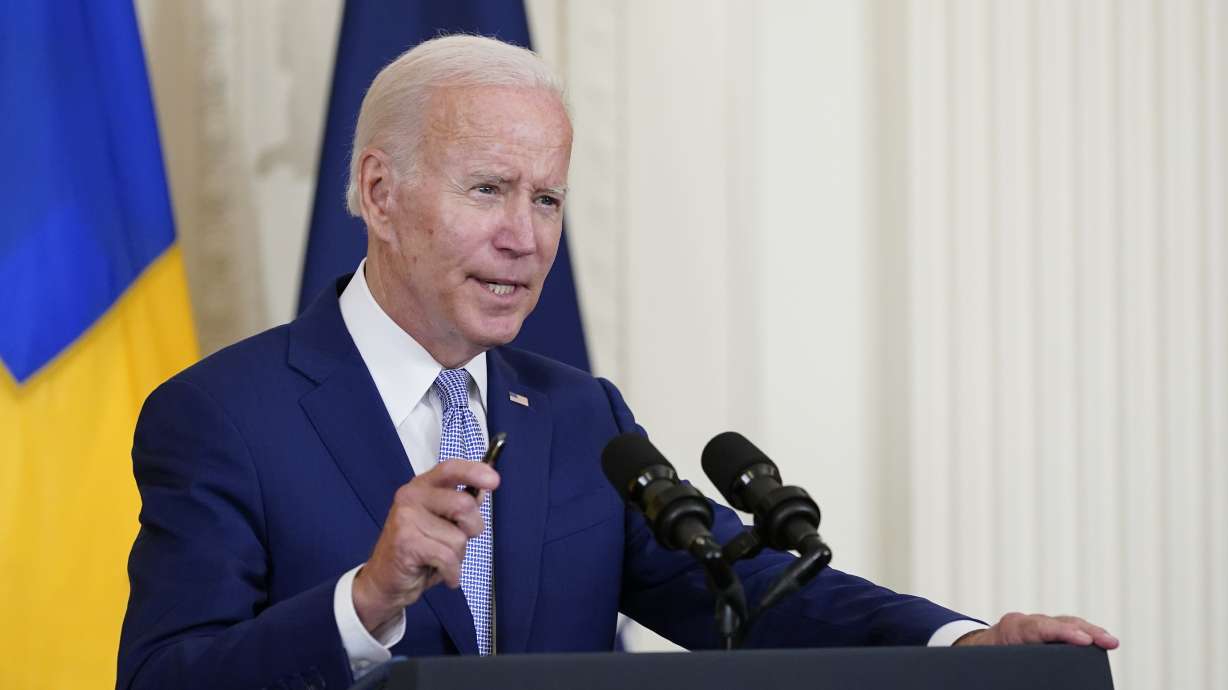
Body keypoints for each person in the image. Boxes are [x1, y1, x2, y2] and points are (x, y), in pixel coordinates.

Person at [117, 35, 1116, 690]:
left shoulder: (576, 413)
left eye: (547, 199)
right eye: (487, 190)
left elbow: (756, 593)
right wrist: (366, 600)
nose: (525, 236)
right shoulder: (222, 415)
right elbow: (163, 680)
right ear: (380, 193)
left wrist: (960, 648)